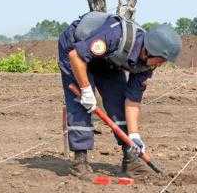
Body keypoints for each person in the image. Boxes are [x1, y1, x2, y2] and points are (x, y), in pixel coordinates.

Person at [58, 12, 181, 180]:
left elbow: (132, 100)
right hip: (76, 48)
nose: (161, 65)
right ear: (148, 52)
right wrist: (86, 90)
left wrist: (134, 135)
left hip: (108, 60)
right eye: (160, 60)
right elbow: (76, 56)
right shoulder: (115, 36)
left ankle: (131, 160)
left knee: (118, 101)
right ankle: (80, 162)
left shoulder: (146, 65)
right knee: (81, 105)